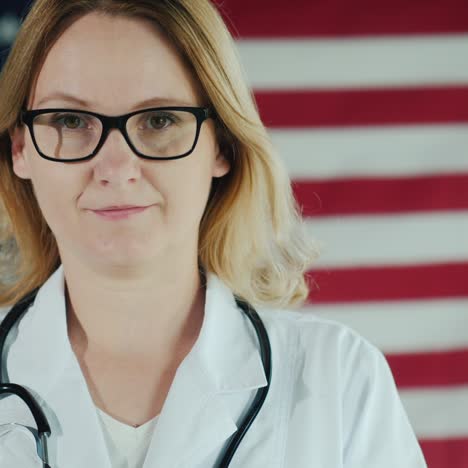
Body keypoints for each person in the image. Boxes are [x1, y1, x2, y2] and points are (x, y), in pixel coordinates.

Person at [0, 0, 427, 467]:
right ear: (21, 148)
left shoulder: (340, 377)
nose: (116, 168)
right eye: (70, 121)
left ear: (221, 145)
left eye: (159, 120)